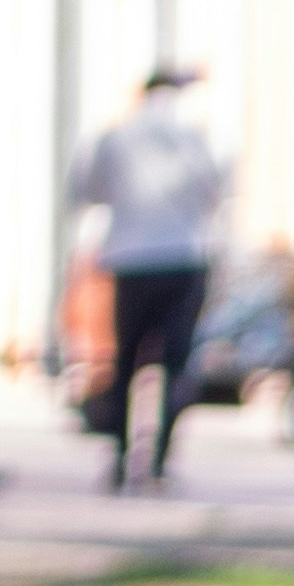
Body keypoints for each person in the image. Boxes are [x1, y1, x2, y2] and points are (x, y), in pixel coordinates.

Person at [70, 58, 230, 489]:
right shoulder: (195, 140)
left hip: (131, 257)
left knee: (127, 362)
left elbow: (87, 191)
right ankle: (158, 460)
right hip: (185, 257)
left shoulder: (117, 136)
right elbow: (218, 192)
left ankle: (121, 458)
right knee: (175, 364)